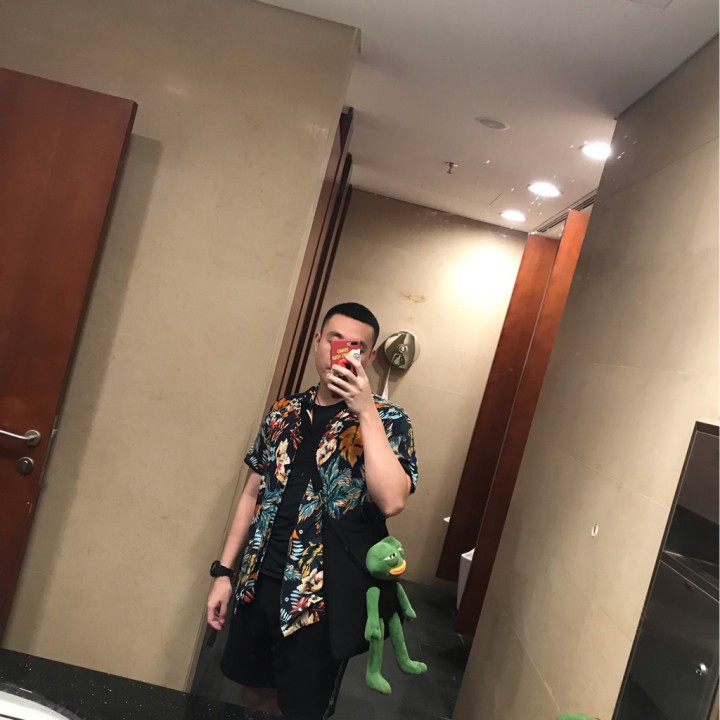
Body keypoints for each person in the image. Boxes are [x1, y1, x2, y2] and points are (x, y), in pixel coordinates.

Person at [206, 302, 418, 720]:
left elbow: (393, 500)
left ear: (369, 357)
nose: (341, 352)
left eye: (356, 346)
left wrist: (365, 411)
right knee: (253, 695)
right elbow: (251, 494)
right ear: (317, 342)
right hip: (259, 583)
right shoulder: (283, 412)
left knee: (302, 709)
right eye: (334, 340)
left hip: (320, 599)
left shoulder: (390, 420)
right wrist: (224, 573)